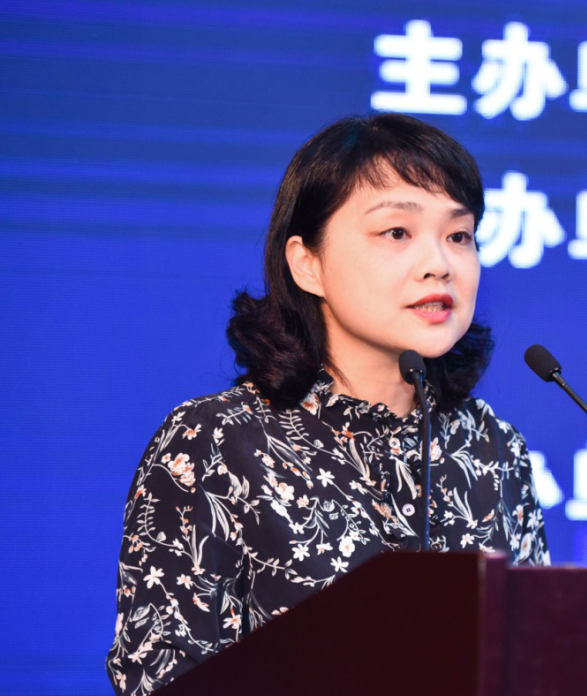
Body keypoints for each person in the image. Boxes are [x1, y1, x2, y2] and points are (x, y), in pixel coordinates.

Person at [105, 113, 550, 695]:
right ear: (307, 263)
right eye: (397, 232)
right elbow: (158, 675)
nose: (439, 263)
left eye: (459, 236)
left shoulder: (491, 447)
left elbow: (538, 663)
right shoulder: (218, 441)